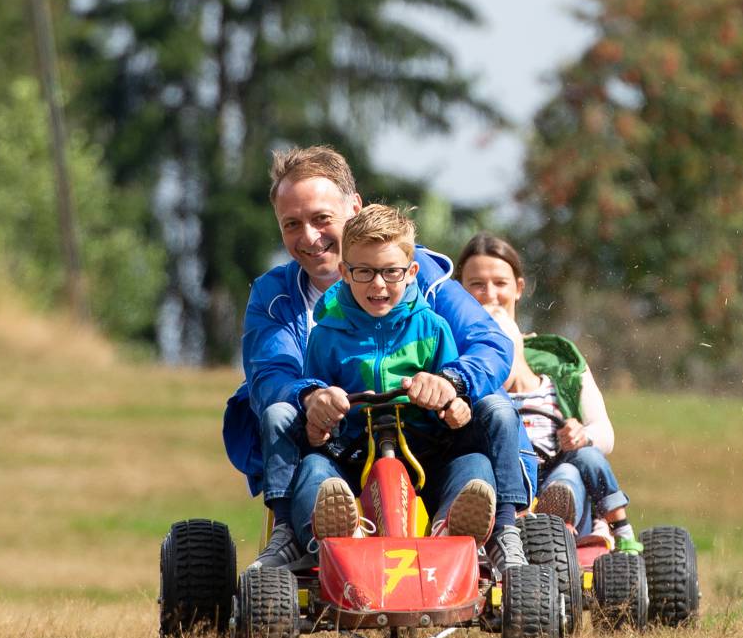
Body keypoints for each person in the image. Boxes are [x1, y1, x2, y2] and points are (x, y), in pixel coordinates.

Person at [220, 146, 521, 571]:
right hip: (337, 448)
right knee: (286, 425)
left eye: (322, 218)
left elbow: (490, 346)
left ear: (354, 209)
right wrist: (310, 397)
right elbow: (269, 374)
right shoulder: (275, 298)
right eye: (292, 224)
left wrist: (452, 383)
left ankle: (471, 527)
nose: (309, 237)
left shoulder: (426, 284)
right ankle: (317, 532)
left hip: (425, 444)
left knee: (489, 418)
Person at [287, 205, 527, 571]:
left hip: (426, 456)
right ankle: (337, 534)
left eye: (390, 272)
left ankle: (455, 530)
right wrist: (319, 410)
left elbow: (455, 401)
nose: (378, 284)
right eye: (364, 272)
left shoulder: (433, 328)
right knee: (314, 473)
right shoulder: (325, 337)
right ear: (344, 273)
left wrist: (453, 402)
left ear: (411, 272)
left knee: (475, 465)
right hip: (352, 459)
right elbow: (313, 393)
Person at [456, 232, 641, 555]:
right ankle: (513, 530)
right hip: (499, 487)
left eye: (500, 283)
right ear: (459, 290)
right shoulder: (456, 364)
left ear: (519, 287)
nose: (490, 295)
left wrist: (581, 434)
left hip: (557, 469)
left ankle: (554, 526)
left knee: (572, 469)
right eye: (477, 285)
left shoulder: (558, 361)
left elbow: (603, 432)